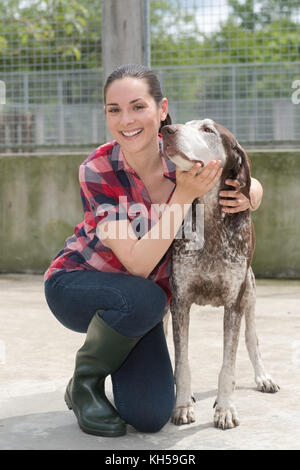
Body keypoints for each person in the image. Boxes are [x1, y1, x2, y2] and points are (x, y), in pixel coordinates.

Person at [44, 64, 263, 437]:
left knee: (148, 415)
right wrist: (185, 195)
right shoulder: (98, 168)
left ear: (162, 110)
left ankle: (113, 352)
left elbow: (236, 169)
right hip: (80, 283)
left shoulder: (182, 153)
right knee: (146, 296)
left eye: (138, 107)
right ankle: (84, 381)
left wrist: (252, 193)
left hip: (141, 305)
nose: (126, 120)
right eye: (114, 109)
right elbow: (139, 265)